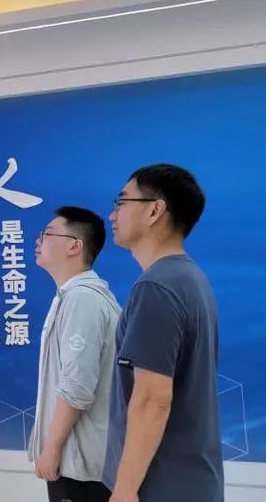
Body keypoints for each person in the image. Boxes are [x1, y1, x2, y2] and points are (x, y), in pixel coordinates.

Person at [103, 164, 223, 502]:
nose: (112, 214)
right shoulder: (190, 279)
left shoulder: (156, 287)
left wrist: (125, 489)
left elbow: (152, 399)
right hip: (189, 482)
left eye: (121, 202)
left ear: (154, 210)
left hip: (159, 486)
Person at [30, 206, 120, 502]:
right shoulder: (71, 295)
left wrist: (52, 447)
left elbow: (77, 384)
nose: (38, 240)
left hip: (81, 465)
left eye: (47, 233)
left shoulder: (83, 300)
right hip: (79, 461)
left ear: (74, 246)